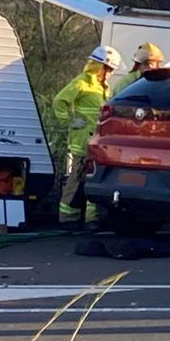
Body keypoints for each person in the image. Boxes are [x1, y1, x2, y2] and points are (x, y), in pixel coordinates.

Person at [53, 45, 122, 226]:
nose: (112, 74)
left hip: (95, 141)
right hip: (81, 141)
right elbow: (59, 101)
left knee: (91, 178)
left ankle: (90, 218)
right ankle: (67, 218)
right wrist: (69, 121)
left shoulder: (101, 86)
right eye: (111, 70)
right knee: (76, 180)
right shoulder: (82, 82)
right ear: (102, 67)